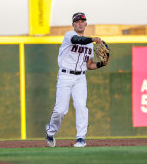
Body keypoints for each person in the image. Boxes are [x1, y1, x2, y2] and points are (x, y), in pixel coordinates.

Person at [45, 12, 109, 147]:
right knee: (61, 110)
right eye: (77, 21)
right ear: (73, 24)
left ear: (86, 24)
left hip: (80, 77)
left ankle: (81, 138)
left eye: (82, 21)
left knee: (81, 106)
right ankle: (50, 131)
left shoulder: (89, 45)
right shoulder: (69, 35)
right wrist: (92, 39)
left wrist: (102, 64)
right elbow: (77, 40)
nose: (80, 23)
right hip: (65, 76)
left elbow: (90, 65)